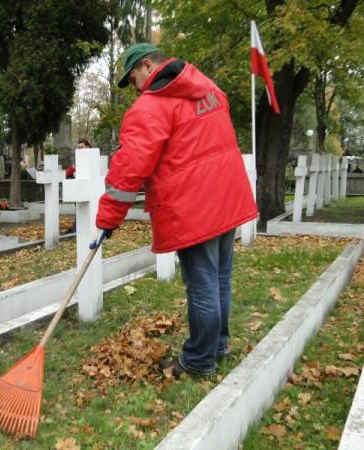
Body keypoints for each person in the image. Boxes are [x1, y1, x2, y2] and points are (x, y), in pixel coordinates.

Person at [94, 43, 258, 378]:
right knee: (219, 279)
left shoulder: (150, 108)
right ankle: (218, 345)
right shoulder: (209, 88)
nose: (136, 87)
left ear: (146, 65)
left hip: (193, 207)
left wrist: (109, 217)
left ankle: (199, 361)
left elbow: (129, 169)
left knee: (201, 286)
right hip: (226, 197)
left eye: (134, 78)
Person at [65, 139, 92, 234]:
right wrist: (73, 168)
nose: (80, 150)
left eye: (82, 147)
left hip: (91, 190)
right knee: (80, 211)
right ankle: (76, 229)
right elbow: (68, 173)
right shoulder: (78, 160)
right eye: (79, 148)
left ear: (88, 147)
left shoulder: (93, 158)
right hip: (80, 189)